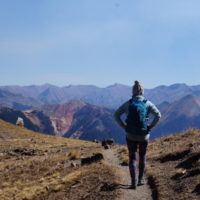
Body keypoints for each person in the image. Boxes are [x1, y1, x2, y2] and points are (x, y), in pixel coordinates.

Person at [114, 80, 161, 189]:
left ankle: (133, 182)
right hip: (144, 135)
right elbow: (158, 115)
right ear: (142, 91)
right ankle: (141, 179)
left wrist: (123, 126)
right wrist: (151, 126)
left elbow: (116, 115)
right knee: (142, 157)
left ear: (132, 91)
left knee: (132, 158)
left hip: (130, 135)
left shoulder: (128, 103)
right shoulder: (147, 103)